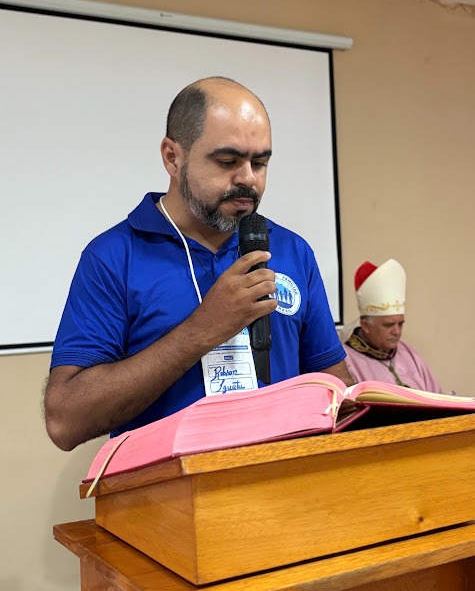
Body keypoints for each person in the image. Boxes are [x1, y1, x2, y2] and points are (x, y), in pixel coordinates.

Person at [44, 76, 353, 451]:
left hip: (282, 479)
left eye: (260, 163)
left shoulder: (292, 250)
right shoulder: (113, 256)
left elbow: (334, 387)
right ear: (172, 157)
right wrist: (203, 330)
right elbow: (65, 422)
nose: (248, 179)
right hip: (171, 485)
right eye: (227, 161)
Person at [339, 258, 443, 392]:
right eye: (388, 325)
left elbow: (437, 396)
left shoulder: (409, 353)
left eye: (400, 324)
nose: (397, 332)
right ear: (365, 325)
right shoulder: (345, 361)